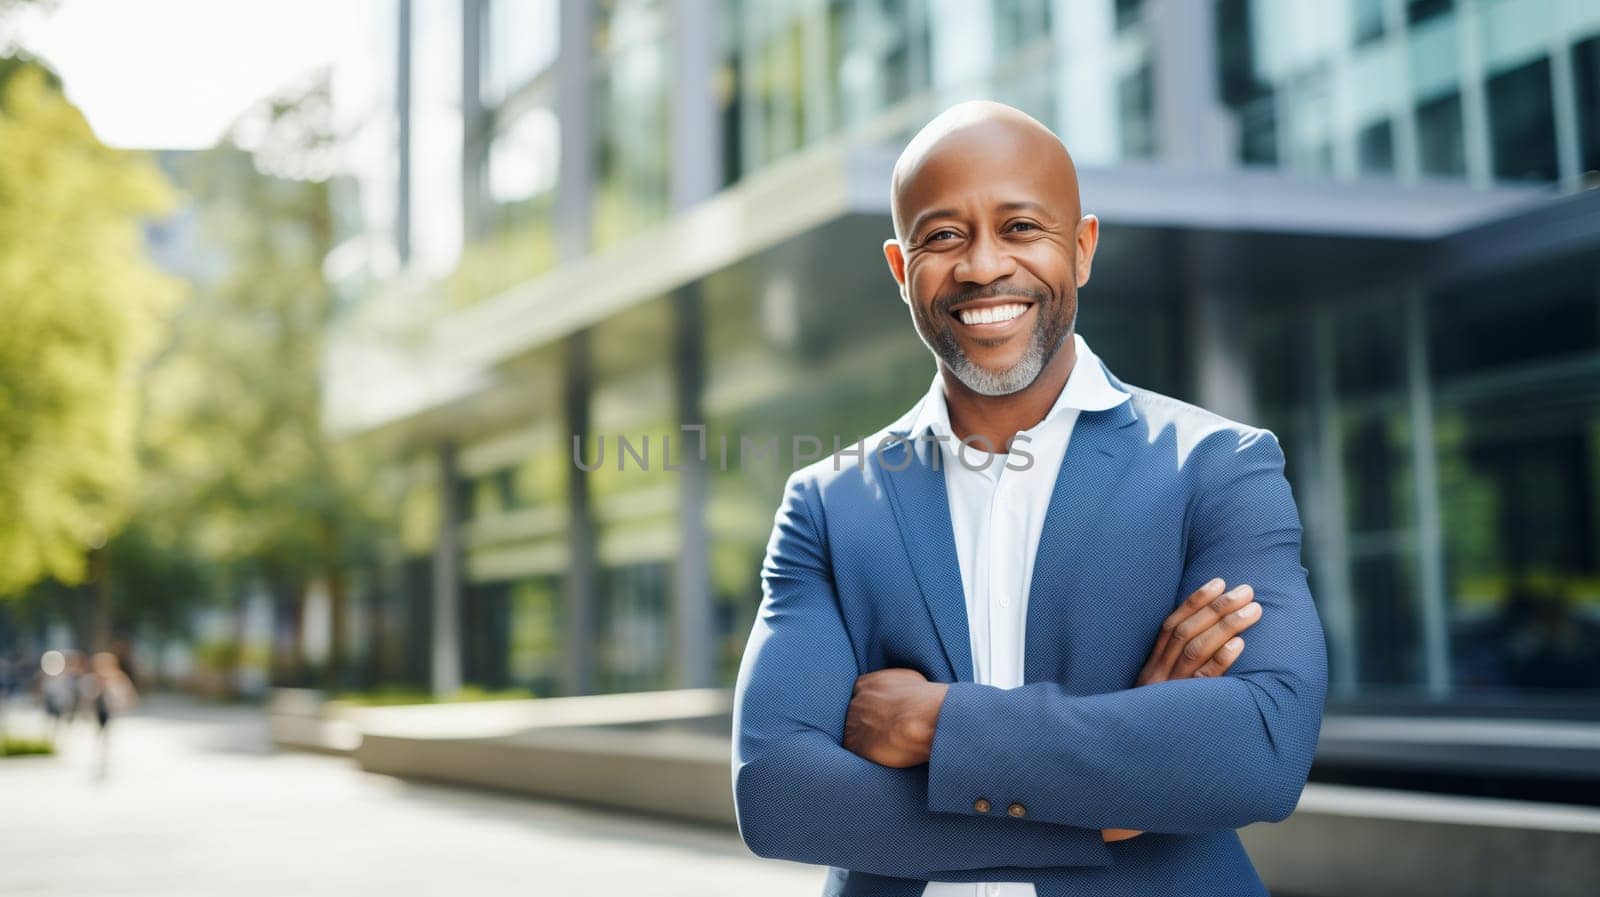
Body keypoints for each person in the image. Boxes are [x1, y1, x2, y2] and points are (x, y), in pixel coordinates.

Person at [731, 101, 1329, 897]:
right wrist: (1109, 803)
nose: (982, 267)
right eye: (943, 236)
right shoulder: (828, 503)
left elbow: (1260, 749)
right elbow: (780, 794)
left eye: (1020, 228)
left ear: (1081, 249)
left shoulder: (1218, 467)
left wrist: (937, 723)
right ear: (900, 270)